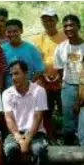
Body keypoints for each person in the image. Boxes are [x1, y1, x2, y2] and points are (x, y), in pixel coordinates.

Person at [2, 60, 48, 165]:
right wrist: (19, 138)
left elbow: (38, 117)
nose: (13, 78)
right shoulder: (7, 93)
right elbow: (9, 118)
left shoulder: (39, 91)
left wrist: (27, 140)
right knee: (10, 149)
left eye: (17, 73)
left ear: (26, 73)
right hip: (15, 133)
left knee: (39, 149)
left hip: (37, 133)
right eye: (11, 75)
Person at [32, 8, 66, 142]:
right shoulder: (38, 39)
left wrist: (60, 74)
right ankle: (49, 137)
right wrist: (44, 74)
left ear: (56, 20)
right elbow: (37, 59)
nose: (48, 22)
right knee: (46, 110)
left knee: (66, 109)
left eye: (51, 19)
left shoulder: (64, 36)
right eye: (45, 20)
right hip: (44, 80)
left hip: (63, 79)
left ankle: (68, 135)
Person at [54, 14, 84, 145]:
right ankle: (69, 151)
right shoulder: (61, 48)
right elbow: (60, 69)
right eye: (65, 26)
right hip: (68, 87)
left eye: (72, 25)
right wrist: (66, 84)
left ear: (79, 26)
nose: (68, 28)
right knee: (68, 121)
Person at [2, 19, 45, 89]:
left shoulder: (31, 49)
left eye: (15, 31)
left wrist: (29, 85)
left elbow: (39, 70)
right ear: (5, 33)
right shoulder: (2, 49)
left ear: (21, 31)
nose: (12, 34)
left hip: (28, 91)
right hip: (9, 92)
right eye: (9, 32)